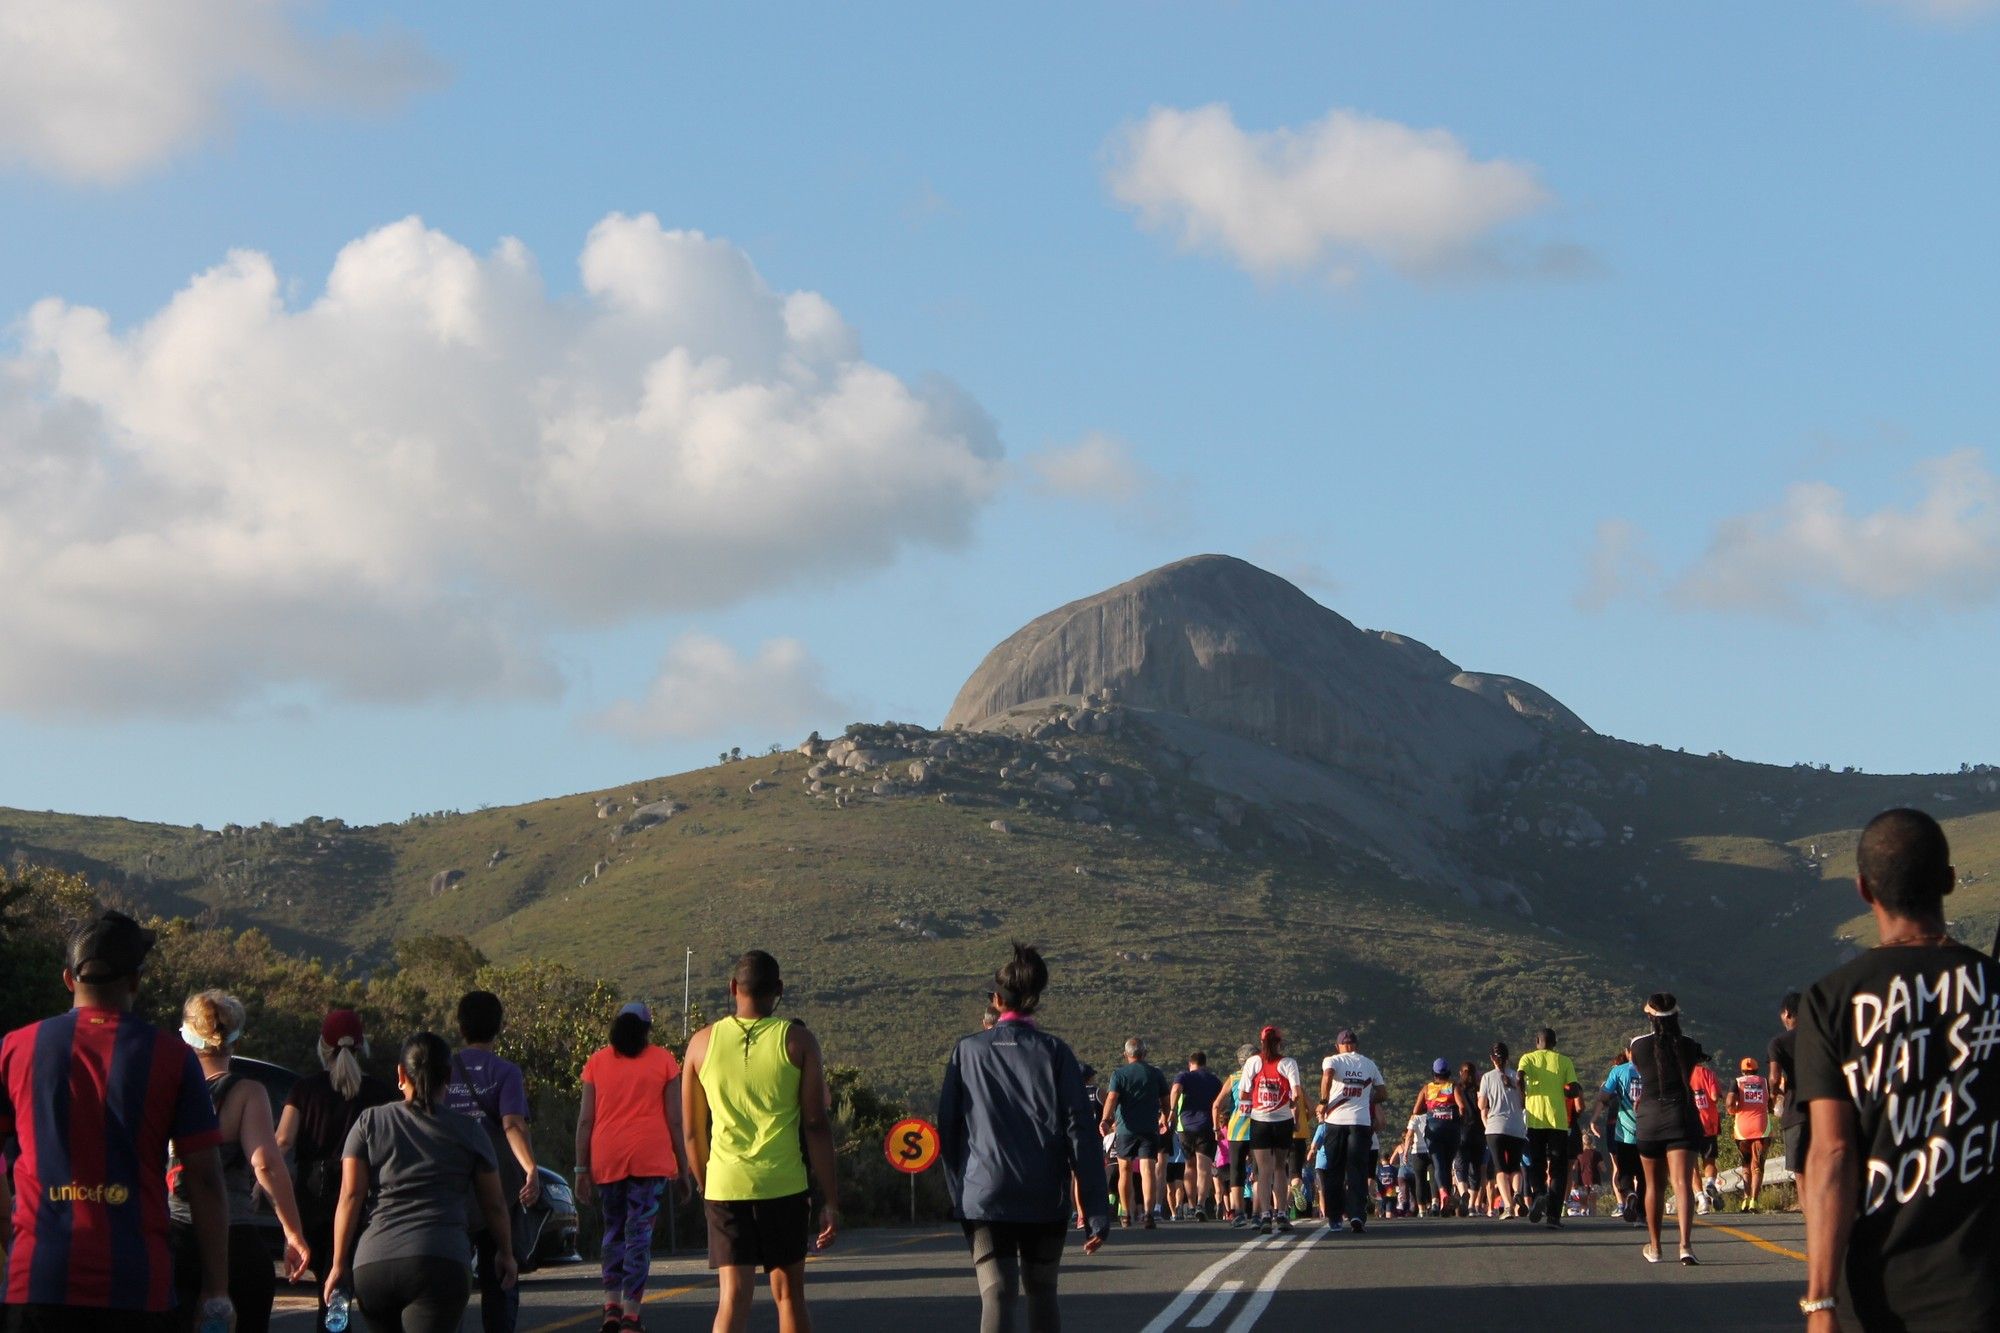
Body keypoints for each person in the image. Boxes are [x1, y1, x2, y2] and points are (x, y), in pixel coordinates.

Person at [1796, 808, 2000, 1331]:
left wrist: (1820, 1300)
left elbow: (1832, 1153)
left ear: (1864, 889)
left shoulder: (1831, 1000)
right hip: (1985, 1292)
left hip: (1877, 1296)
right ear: (1950, 882)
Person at [0, 911, 233, 1333]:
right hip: (137, 1286)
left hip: (37, 1280)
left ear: (68, 979)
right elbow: (205, 1180)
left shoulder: (16, 1049)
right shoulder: (172, 1058)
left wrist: (10, 1243)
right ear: (135, 981)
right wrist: (216, 1290)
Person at [938, 944, 1107, 1333]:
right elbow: (1081, 1132)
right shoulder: (1056, 1053)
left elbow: (947, 1127)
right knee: (1042, 1291)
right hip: (1044, 1195)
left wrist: (959, 1192)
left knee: (996, 1292)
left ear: (997, 1001)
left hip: (983, 1195)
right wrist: (1095, 1207)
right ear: (1035, 999)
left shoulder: (966, 1052)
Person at [683, 950, 840, 1333]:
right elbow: (816, 1123)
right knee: (788, 1296)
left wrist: (707, 1185)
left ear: (733, 988)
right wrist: (832, 1200)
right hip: (783, 1183)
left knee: (732, 1299)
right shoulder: (799, 1041)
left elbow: (691, 1131)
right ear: (779, 991)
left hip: (724, 1184)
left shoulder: (700, 1044)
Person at [324, 1031, 515, 1333]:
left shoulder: (369, 1123)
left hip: (374, 1264)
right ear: (449, 1077)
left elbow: (350, 1197)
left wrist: (338, 1264)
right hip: (441, 1260)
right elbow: (493, 1204)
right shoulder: (469, 1131)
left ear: (401, 1073)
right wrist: (506, 1253)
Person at [170, 991, 312, 1333]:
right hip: (234, 1241)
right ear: (234, 1038)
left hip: (173, 1240)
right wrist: (293, 1233)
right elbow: (266, 1165)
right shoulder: (247, 1093)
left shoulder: (167, 1087)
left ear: (187, 1035)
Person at [277, 1010, 400, 1320]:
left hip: (312, 1198)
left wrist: (262, 1183)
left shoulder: (303, 1090)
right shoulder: (380, 1092)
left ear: (322, 1046)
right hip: (361, 1198)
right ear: (362, 1047)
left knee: (326, 1287)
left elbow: (282, 1142)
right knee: (343, 1284)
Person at [576, 1002, 688, 1333]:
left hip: (607, 1158)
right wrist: (684, 1170)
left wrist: (581, 1170)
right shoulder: (663, 1060)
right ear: (647, 1029)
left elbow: (585, 1121)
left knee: (613, 1232)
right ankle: (631, 1316)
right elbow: (676, 1120)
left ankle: (610, 1308)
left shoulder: (596, 1062)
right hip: (649, 1160)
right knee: (638, 1236)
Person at [444, 991, 540, 1333]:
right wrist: (530, 1168)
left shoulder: (443, 1069)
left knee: (447, 1282)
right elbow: (513, 1124)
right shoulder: (506, 1072)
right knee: (501, 1273)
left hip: (451, 1188)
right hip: (497, 1190)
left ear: (460, 1026)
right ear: (499, 1027)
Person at [1630, 993, 1703, 1266]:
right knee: (1682, 1184)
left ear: (1650, 1016)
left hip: (1649, 1120)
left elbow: (1640, 1066)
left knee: (1654, 1186)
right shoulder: (1690, 1046)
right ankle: (1685, 1246)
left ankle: (1656, 1246)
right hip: (1681, 1117)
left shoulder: (1637, 1046)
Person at [1317, 1028, 1386, 1233]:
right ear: (1356, 1045)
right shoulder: (1368, 1063)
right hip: (1361, 1123)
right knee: (1358, 1170)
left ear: (1338, 1046)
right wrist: (1366, 1099)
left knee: (1334, 1170)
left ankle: (1335, 1218)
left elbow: (1328, 1076)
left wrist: (1323, 1101)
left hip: (1336, 1122)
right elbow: (1383, 1092)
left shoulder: (1333, 1060)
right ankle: (1357, 1215)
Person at [1098, 1038, 1169, 1228]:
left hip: (1125, 1129)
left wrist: (1105, 1120)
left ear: (1126, 1054)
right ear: (1144, 1054)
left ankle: (1126, 1214)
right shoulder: (1155, 1073)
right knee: (1147, 1171)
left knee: (1124, 1170)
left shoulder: (1119, 1074)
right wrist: (1166, 1116)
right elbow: (1165, 1099)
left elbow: (1112, 1098)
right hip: (1149, 1129)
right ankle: (1147, 1214)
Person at [1238, 1027, 1300, 1235]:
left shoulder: (1253, 1062)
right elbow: (1296, 1094)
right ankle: (1281, 1213)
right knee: (1280, 1168)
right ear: (1280, 1042)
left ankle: (1265, 1215)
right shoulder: (1288, 1063)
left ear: (1262, 1041)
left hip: (1260, 1121)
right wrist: (1295, 1116)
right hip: (1282, 1120)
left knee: (1263, 1171)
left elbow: (1244, 1092)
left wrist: (1248, 1114)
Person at [1518, 1027, 1579, 1229]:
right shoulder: (1565, 1061)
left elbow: (1519, 1077)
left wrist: (1523, 1094)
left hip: (1535, 1121)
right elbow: (1573, 1089)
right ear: (1555, 1042)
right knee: (1558, 1169)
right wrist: (1568, 1093)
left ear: (1537, 1041)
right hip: (1558, 1122)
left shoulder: (1527, 1058)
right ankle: (1554, 1216)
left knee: (1536, 1163)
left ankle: (1539, 1193)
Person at [1168, 1051, 1222, 1221]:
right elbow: (1222, 1102)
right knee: (1203, 1167)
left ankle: (1191, 1206)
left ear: (1190, 1063)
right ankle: (1200, 1204)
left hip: (1185, 1127)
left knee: (1189, 1166)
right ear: (1205, 1063)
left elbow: (1176, 1089)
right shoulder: (1214, 1080)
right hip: (1206, 1126)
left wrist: (1172, 1110)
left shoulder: (1184, 1076)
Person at [1408, 1058, 1465, 1216]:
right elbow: (1461, 1107)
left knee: (1438, 1164)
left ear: (1434, 1073)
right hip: (1452, 1130)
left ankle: (1443, 1195)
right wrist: (1459, 1121)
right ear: (1448, 1072)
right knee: (1447, 1165)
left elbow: (1416, 1110)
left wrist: (1431, 1107)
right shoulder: (1453, 1087)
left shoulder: (1427, 1089)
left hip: (1433, 1130)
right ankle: (1444, 1203)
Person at [1477, 1042, 1527, 1219]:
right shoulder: (1517, 1077)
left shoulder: (1487, 1078)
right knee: (1515, 1166)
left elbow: (1482, 1104)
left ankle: (1508, 1207)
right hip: (1517, 1127)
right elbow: (1523, 1103)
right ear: (1508, 1057)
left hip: (1495, 1128)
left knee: (1500, 1169)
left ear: (1492, 1058)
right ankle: (1517, 1192)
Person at [1595, 1044, 1642, 1224]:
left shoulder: (1618, 1071)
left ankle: (1628, 1194)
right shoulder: (1652, 1069)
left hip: (1625, 1132)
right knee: (1644, 1175)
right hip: (1649, 1131)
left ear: (1628, 1053)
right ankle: (1641, 1213)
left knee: (1624, 1171)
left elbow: (1603, 1096)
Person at [1767, 991, 1805, 1209]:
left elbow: (1774, 1077)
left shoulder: (1778, 1042)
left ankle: (1810, 1217)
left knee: (1800, 1172)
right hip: (1823, 1109)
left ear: (1787, 1014)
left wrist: (1775, 1095)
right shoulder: (1821, 1037)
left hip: (1796, 1111)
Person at [1211, 1044, 1255, 1227]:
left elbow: (1216, 1104)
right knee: (1259, 1173)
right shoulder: (1261, 1076)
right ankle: (1261, 1213)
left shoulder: (1234, 1077)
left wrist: (1215, 1129)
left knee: (1236, 1173)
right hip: (1258, 1128)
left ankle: (1238, 1214)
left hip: (1236, 1130)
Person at [1726, 1057, 1771, 1212]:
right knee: (1757, 1166)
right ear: (1756, 1070)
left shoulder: (1737, 1082)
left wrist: (1733, 1111)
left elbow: (1729, 1103)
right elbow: (1770, 1103)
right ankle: (1754, 1201)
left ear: (1742, 1070)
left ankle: (1745, 1200)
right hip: (1761, 1128)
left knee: (1745, 1166)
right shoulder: (1764, 1082)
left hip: (1741, 1129)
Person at [1686, 1050, 1723, 1214]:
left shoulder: (1683, 1075)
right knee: (1709, 1161)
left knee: (1692, 1166)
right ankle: (1710, 1182)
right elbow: (1714, 1096)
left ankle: (1702, 1201)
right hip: (1709, 1123)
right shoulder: (1708, 1073)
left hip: (1689, 1125)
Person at [1453, 1061, 1488, 1214]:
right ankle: (1472, 1206)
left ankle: (1462, 1193)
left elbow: (1459, 1107)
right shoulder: (1481, 1088)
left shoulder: (1457, 1088)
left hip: (1462, 1131)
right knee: (1476, 1169)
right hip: (1479, 1132)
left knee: (1461, 1166)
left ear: (1461, 1073)